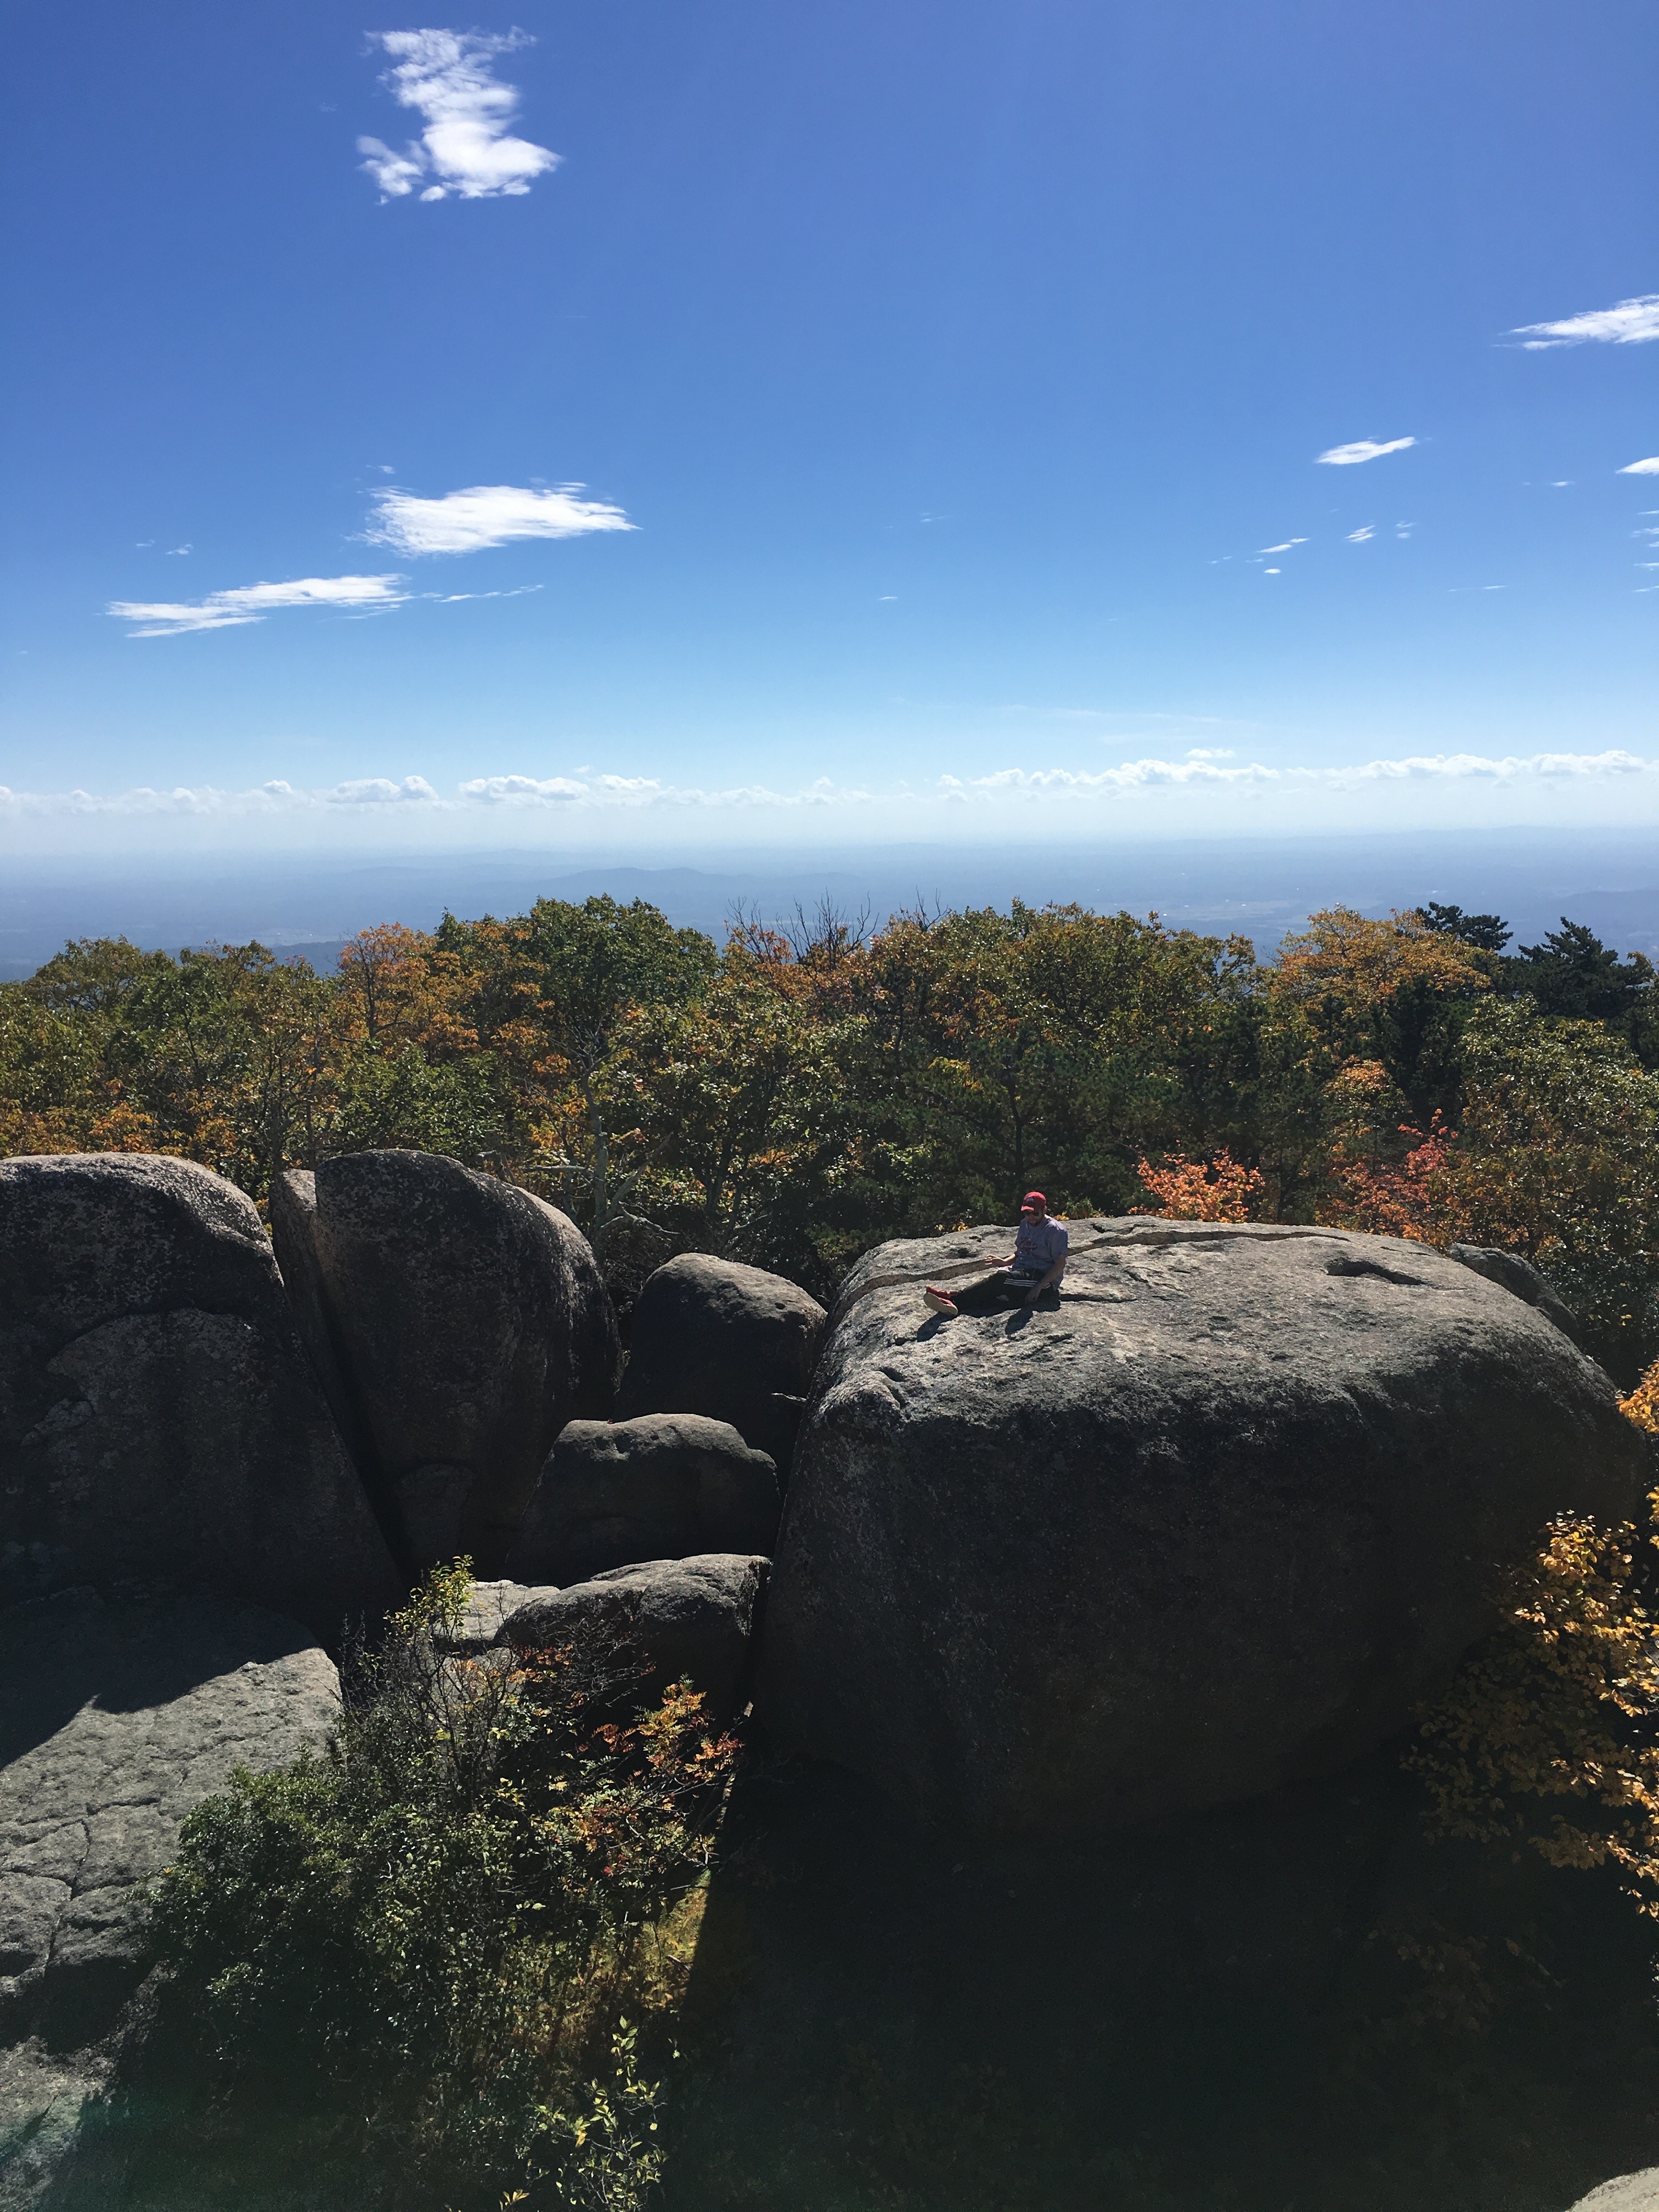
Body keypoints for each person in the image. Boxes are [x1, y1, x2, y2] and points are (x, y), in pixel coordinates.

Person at [998, 1190, 1068, 1304]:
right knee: (997, 1287)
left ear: (1044, 1210)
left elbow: (1060, 1264)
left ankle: (960, 1299)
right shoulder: (1024, 1224)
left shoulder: (1055, 1231)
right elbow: (1020, 1252)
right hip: (1021, 1271)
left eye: (1035, 1213)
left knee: (1001, 1280)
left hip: (1042, 1278)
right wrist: (1004, 1262)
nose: (1031, 1217)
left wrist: (1038, 1287)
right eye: (1027, 1213)